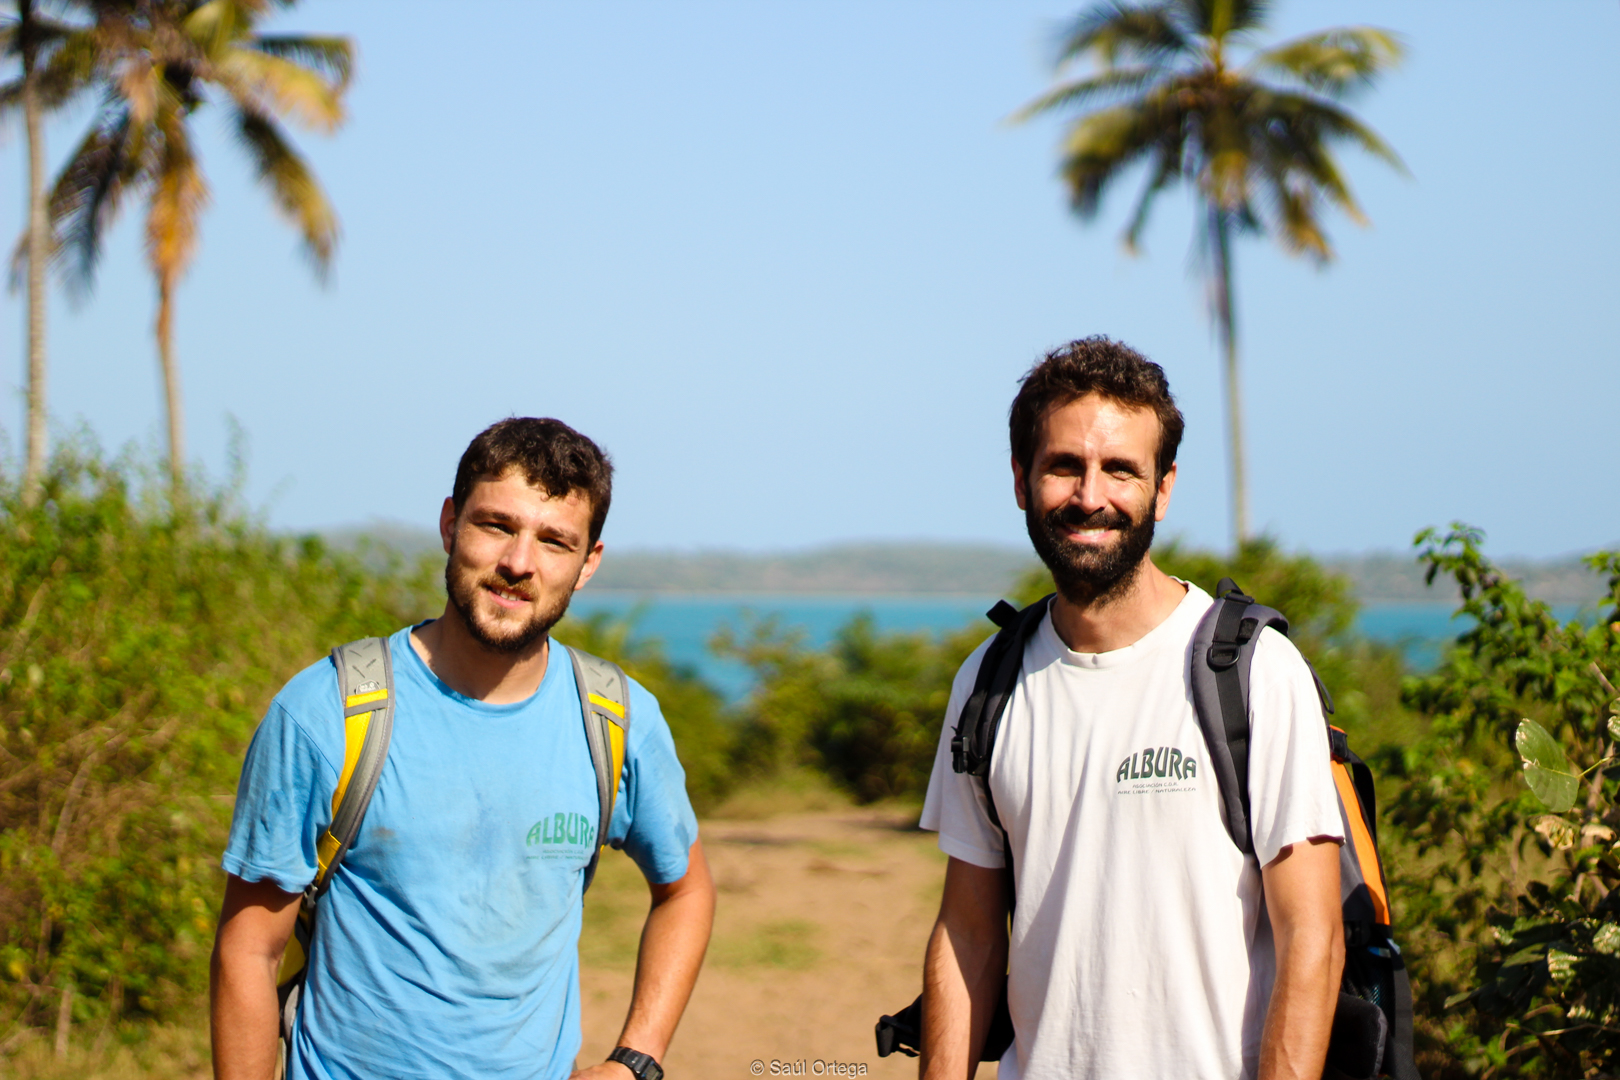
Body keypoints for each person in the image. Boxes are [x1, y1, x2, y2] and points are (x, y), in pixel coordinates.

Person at [210, 417, 715, 1080]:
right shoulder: (327, 713)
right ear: (450, 525)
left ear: (588, 563)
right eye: (497, 526)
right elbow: (247, 953)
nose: (519, 563)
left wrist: (635, 1060)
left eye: (555, 541)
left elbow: (685, 890)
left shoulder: (617, 721)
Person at [918, 338, 1344, 1080]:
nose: (1091, 496)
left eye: (1120, 469)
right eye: (1063, 466)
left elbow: (1312, 938)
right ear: (1020, 480)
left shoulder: (1254, 673)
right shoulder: (989, 680)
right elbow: (970, 934)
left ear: (1164, 488)